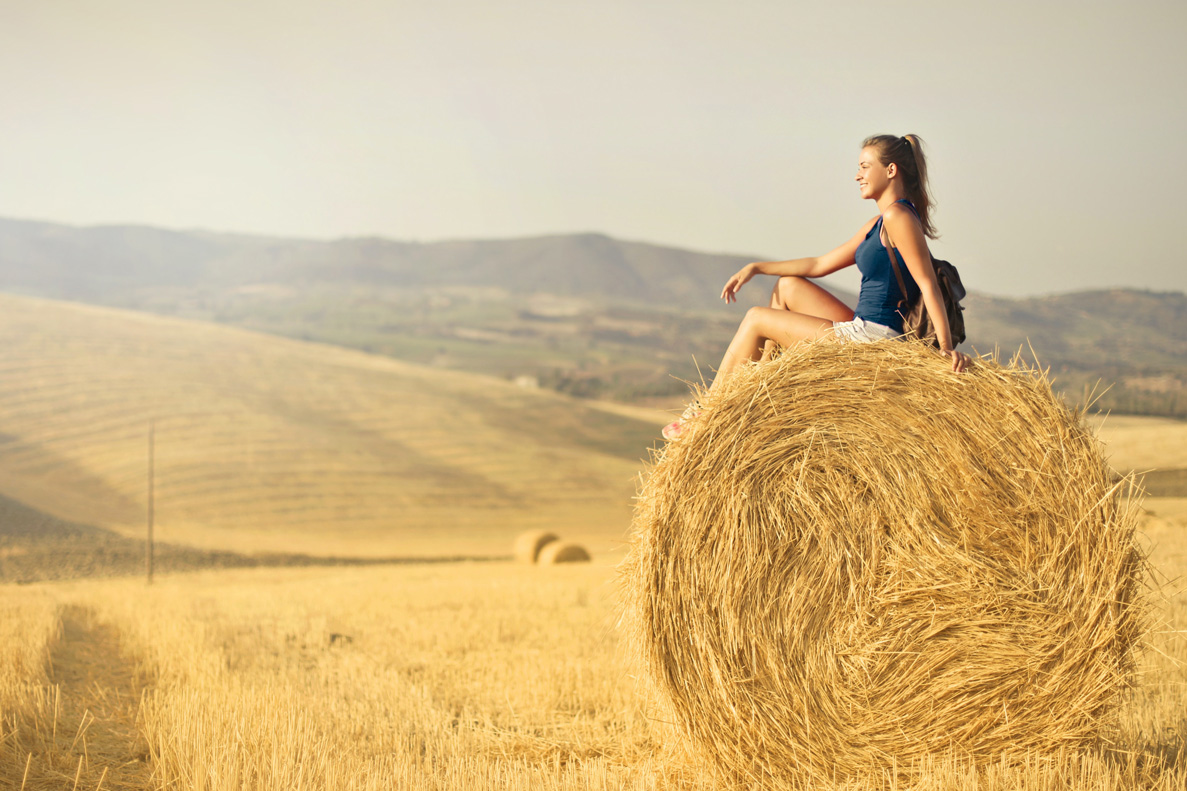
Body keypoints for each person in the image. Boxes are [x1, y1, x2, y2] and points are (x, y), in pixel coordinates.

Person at [663, 134, 970, 440]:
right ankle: (758, 389)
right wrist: (756, 268)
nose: (857, 175)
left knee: (757, 317)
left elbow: (927, 284)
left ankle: (704, 415)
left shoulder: (897, 217)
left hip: (874, 339)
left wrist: (944, 350)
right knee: (788, 287)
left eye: (865, 166)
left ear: (891, 170)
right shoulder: (877, 224)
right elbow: (818, 265)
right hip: (862, 328)